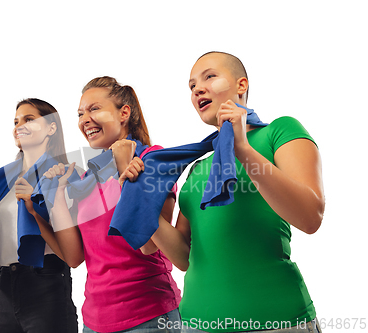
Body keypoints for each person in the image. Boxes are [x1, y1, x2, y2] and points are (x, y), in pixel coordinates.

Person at [121, 52, 325, 333]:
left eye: (209, 76)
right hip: (196, 323)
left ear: (242, 85)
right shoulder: (197, 169)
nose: (197, 90)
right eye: (191, 86)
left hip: (277, 321)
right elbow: (183, 257)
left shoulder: (280, 131)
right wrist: (138, 197)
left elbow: (310, 216)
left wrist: (242, 149)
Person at [43, 76, 182, 333]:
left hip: (148, 317)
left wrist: (122, 172)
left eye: (94, 109)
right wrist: (58, 194)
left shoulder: (153, 161)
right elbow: (75, 258)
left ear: (124, 113)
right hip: (94, 322)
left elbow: (148, 246)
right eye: (80, 113)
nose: (85, 119)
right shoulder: (87, 178)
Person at [0, 98, 78, 333]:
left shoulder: (65, 175)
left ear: (51, 128)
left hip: (47, 282)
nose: (20, 125)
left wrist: (35, 203)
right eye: (16, 121)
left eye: (29, 119)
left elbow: (73, 250)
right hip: (5, 284)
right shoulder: (1, 182)